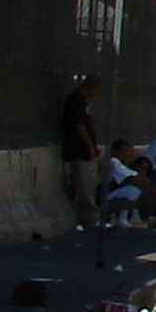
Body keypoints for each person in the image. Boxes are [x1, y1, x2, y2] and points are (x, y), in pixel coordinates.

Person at [62, 74, 103, 229]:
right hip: (79, 151)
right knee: (84, 184)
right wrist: (90, 147)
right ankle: (88, 218)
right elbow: (80, 127)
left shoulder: (81, 102)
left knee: (89, 183)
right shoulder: (75, 102)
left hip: (84, 149)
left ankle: (87, 216)